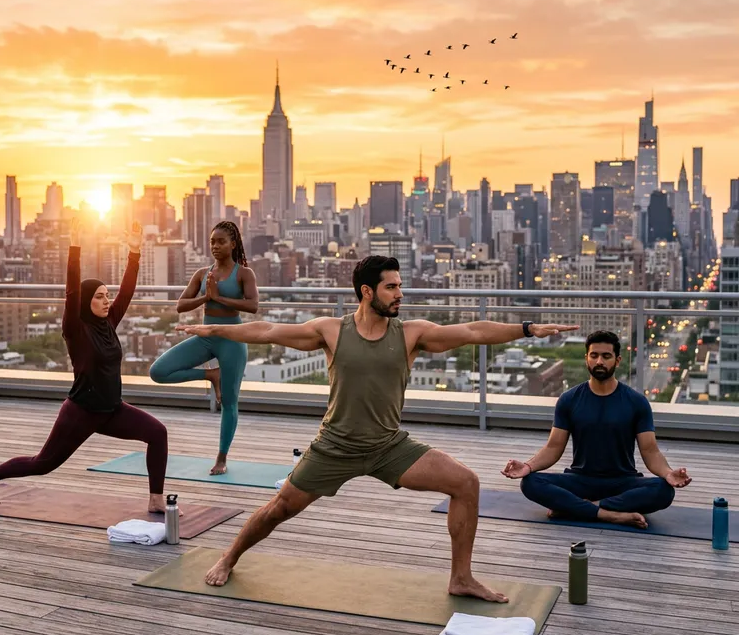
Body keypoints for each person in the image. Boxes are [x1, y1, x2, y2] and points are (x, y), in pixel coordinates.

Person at [176, 255, 578, 599]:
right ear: (367, 292)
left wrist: (527, 329)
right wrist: (215, 330)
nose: (400, 294)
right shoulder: (331, 330)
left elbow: (472, 331)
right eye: (391, 287)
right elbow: (266, 331)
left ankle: (461, 578)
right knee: (279, 509)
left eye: (400, 286)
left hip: (388, 446)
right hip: (335, 446)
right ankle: (229, 557)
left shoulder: (412, 334)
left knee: (466, 483)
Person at [0, 219, 169, 511]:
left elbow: (127, 291)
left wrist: (134, 252)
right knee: (42, 464)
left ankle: (156, 499)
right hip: (81, 412)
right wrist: (75, 247)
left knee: (157, 433)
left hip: (112, 410)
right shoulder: (76, 329)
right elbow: (71, 293)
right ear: (86, 301)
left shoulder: (109, 322)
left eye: (107, 296)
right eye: (99, 297)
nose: (106, 301)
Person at [502, 329, 692, 528]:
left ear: (617, 361)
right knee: (530, 483)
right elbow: (553, 448)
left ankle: (579, 508)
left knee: (664, 490)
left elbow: (650, 451)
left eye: (606, 356)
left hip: (622, 482)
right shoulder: (569, 399)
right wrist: (528, 466)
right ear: (587, 358)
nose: (599, 361)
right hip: (580, 481)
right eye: (594, 355)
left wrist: (668, 473)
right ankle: (610, 514)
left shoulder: (636, 402)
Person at [149, 221, 258, 475]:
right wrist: (206, 298)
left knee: (229, 402)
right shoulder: (202, 273)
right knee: (158, 371)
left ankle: (221, 458)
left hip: (232, 339)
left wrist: (219, 298)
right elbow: (180, 305)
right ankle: (211, 375)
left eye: (221, 241)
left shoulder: (244, 274)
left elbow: (253, 305)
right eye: (212, 242)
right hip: (206, 337)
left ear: (233, 244)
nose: (215, 246)